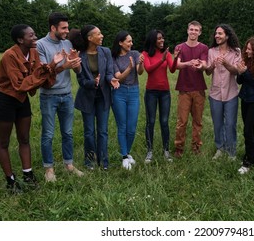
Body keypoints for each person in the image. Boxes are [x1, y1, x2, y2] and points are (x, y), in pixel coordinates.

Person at [0, 24, 63, 193]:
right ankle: (10, 181)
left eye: (35, 35)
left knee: (24, 139)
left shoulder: (33, 52)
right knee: (4, 142)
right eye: (31, 35)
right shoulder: (9, 56)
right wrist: (49, 68)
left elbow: (38, 73)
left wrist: (52, 66)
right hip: (6, 100)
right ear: (20, 39)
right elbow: (19, 84)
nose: (35, 37)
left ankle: (28, 175)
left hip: (22, 100)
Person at [37, 12, 84, 182]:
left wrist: (75, 63)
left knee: (68, 133)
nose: (67, 30)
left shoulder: (68, 42)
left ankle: (69, 165)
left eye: (67, 27)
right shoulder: (40, 45)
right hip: (49, 96)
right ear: (53, 28)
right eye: (63, 28)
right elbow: (43, 74)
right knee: (48, 134)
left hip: (66, 95)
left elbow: (77, 70)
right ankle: (49, 169)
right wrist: (64, 65)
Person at [69, 25, 118, 170]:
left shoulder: (106, 52)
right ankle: (89, 161)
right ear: (90, 38)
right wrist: (93, 82)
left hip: (103, 97)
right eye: (99, 33)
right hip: (87, 97)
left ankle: (103, 162)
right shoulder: (80, 55)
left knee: (102, 131)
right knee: (89, 132)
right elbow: (81, 80)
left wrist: (111, 80)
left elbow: (108, 72)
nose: (102, 36)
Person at [172, 21, 209, 158]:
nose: (193, 32)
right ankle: (179, 148)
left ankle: (196, 147)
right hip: (184, 89)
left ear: (200, 33)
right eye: (191, 29)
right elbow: (178, 65)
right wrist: (189, 63)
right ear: (187, 31)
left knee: (198, 121)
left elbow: (205, 63)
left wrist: (201, 65)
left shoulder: (204, 48)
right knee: (182, 121)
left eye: (196, 30)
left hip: (199, 89)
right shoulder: (180, 47)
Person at [206, 24, 242, 160]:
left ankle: (231, 151)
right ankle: (220, 148)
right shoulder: (211, 51)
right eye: (216, 33)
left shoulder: (236, 52)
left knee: (230, 123)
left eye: (220, 34)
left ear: (227, 36)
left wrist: (226, 63)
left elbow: (237, 71)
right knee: (217, 123)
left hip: (231, 93)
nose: (217, 36)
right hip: (215, 93)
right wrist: (213, 65)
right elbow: (208, 72)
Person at [142, 29, 177, 163]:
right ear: (153, 41)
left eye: (163, 38)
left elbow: (173, 70)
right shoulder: (145, 54)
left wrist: (176, 57)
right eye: (159, 39)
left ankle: (166, 151)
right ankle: (149, 151)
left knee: (164, 122)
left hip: (165, 93)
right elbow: (148, 69)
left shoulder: (166, 53)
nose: (162, 40)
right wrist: (161, 60)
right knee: (150, 122)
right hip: (151, 92)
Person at [111, 31, 144, 170]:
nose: (131, 43)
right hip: (119, 92)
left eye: (131, 41)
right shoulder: (113, 58)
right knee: (122, 126)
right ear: (120, 43)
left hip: (134, 92)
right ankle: (124, 156)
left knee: (131, 127)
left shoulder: (135, 54)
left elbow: (140, 72)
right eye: (128, 41)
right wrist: (129, 68)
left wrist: (140, 64)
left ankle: (127, 152)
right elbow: (118, 77)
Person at [236, 36, 254, 174]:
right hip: (245, 98)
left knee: (248, 128)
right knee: (248, 129)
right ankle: (251, 154)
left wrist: (245, 72)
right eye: (246, 48)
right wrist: (240, 72)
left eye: (249, 49)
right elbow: (239, 81)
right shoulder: (246, 61)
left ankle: (249, 160)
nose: (246, 51)